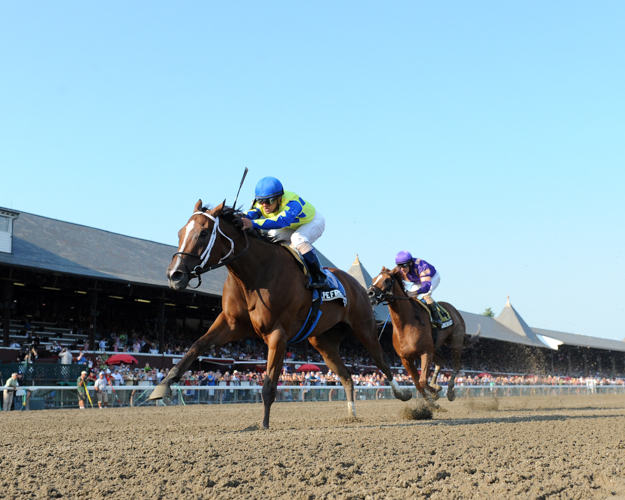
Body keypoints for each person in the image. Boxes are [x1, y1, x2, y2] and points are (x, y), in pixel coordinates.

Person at [240, 176, 328, 289]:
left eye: (269, 201)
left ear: (279, 198)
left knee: (297, 239)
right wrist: (238, 216)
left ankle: (320, 276)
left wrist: (253, 224)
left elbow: (282, 221)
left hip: (313, 222)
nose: (264, 205)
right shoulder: (262, 203)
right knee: (271, 236)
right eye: (261, 201)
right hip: (291, 226)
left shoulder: (292, 203)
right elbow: (252, 213)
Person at [395, 250, 443, 329]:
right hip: (417, 281)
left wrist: (415, 292)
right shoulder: (399, 269)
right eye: (400, 266)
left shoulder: (421, 266)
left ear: (410, 263)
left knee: (425, 295)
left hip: (431, 278)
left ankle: (437, 318)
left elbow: (426, 287)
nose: (402, 269)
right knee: (407, 297)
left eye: (405, 265)